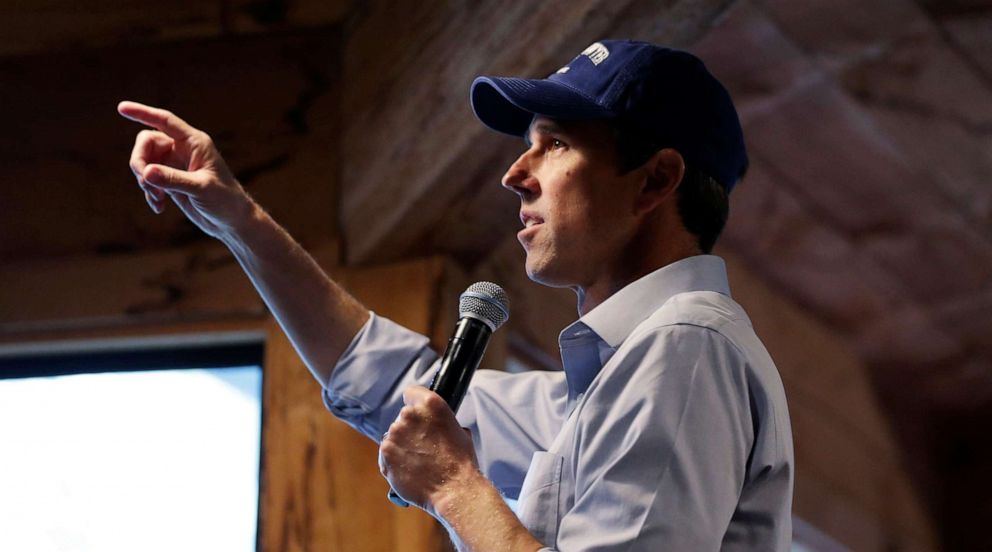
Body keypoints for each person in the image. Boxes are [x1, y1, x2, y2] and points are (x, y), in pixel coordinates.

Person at [121, 39, 793, 551]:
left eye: (553, 144)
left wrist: (453, 486)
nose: (513, 174)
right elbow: (395, 387)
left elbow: (440, 457)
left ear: (655, 182)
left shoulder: (684, 347)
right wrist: (240, 223)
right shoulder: (613, 382)